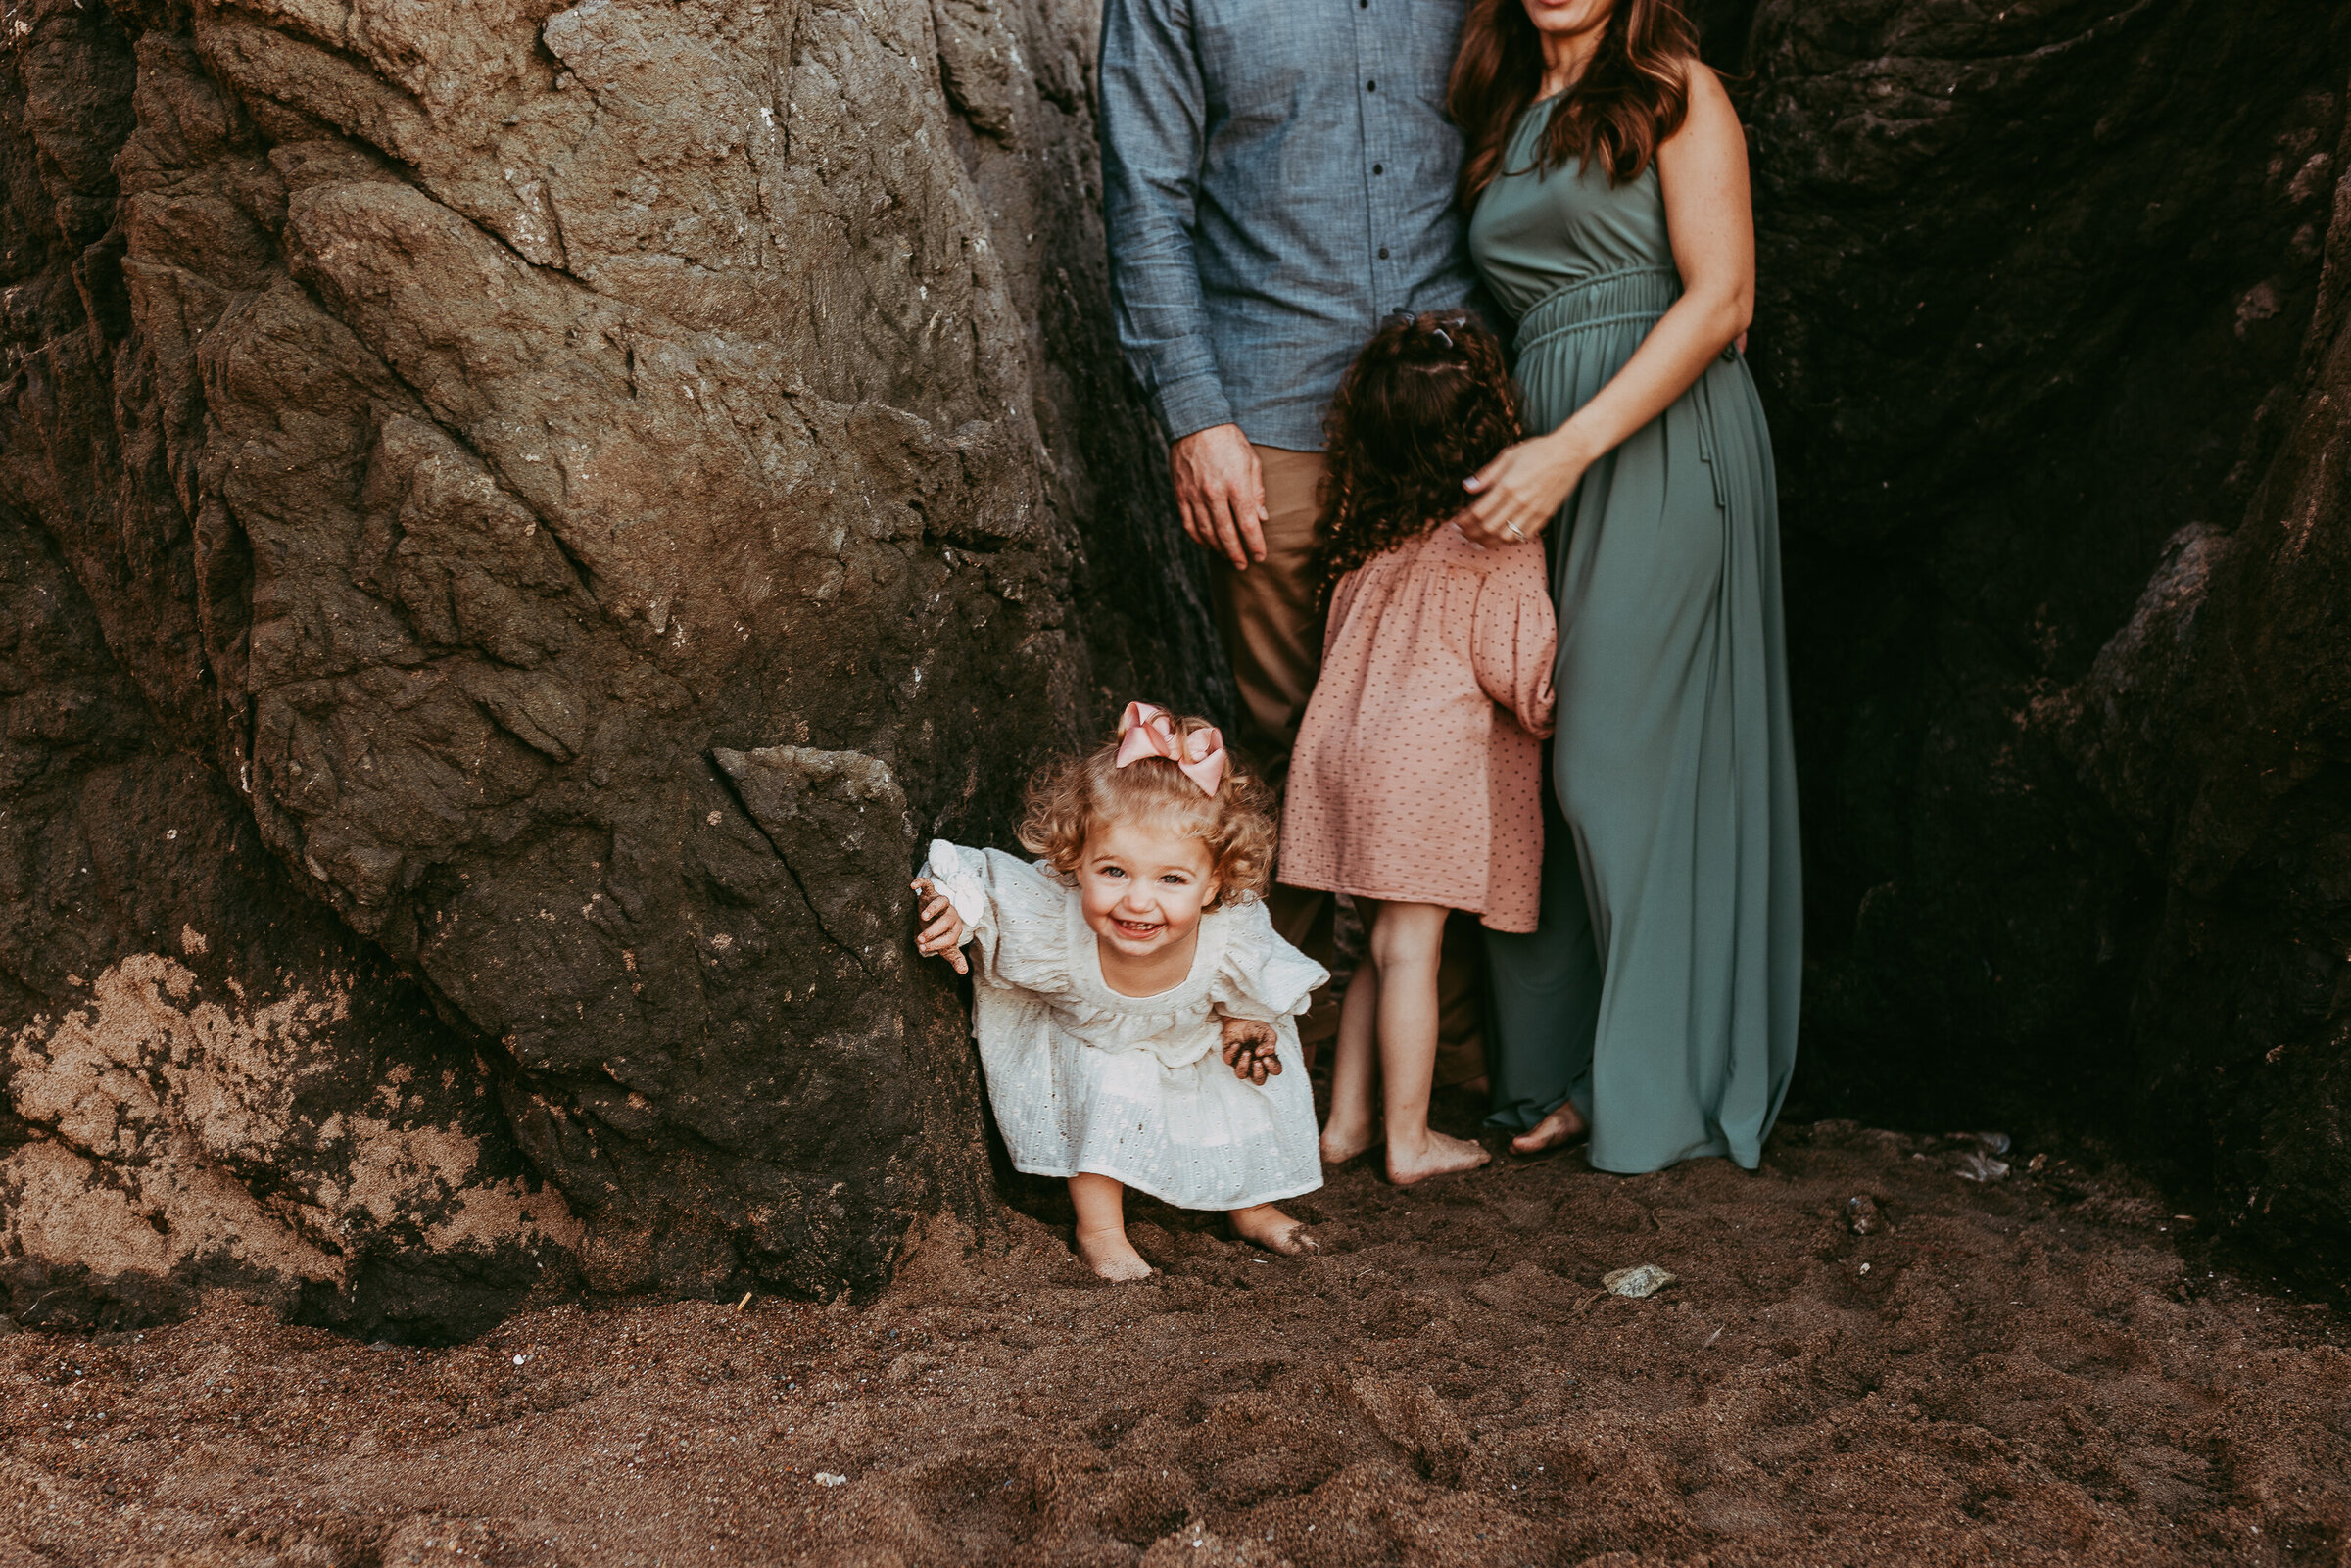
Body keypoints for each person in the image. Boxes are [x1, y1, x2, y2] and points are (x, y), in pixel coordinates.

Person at [1099, 0, 1490, 1072]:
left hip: (1449, 408)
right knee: (1291, 737)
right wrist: (1194, 411)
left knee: (1453, 732)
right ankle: (1276, 1055)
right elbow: (1147, 193)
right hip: (1270, 413)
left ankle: (1449, 1058)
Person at [1449, 0, 1801, 1171]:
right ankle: (1555, 1073)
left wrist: (1571, 447)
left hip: (1655, 434)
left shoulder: (1680, 89)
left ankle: (1660, 1089)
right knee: (1531, 749)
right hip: (1541, 438)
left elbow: (1724, 298)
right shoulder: (1500, 113)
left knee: (1610, 762)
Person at [1278, 313, 1558, 1186]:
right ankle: (1411, 1139)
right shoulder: (1498, 547)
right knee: (1412, 953)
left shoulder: (1372, 542)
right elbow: (1526, 682)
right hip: (1421, 773)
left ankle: (1347, 1123)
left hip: (1340, 762)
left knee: (1375, 948)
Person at [911, 703, 1328, 1281]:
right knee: (1106, 1079)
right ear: (1075, 860)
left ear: (1214, 883)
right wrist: (957, 911)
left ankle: (1250, 1204)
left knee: (1237, 1092)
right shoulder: (1056, 920)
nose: (1138, 899)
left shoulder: (1231, 928)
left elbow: (1253, 983)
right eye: (1113, 871)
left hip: (1193, 1039)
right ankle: (1102, 1230)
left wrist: (1244, 1023)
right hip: (1096, 1045)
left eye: (1172, 879)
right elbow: (990, 884)